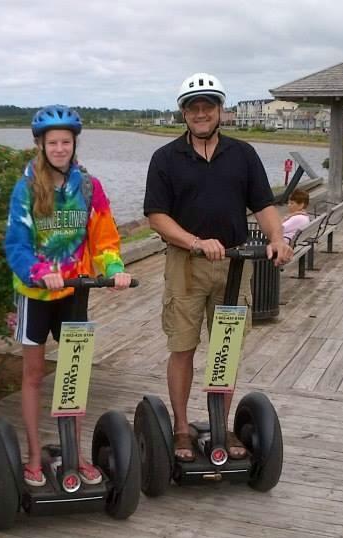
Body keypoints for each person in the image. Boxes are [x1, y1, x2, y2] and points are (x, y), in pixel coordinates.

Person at [143, 73, 294, 463]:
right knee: (183, 347)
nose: (201, 112)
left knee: (225, 347)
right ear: (183, 113)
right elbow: (157, 216)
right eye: (193, 107)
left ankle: (220, 422)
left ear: (221, 111)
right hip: (186, 265)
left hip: (234, 263)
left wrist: (278, 238)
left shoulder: (242, 154)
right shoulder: (165, 158)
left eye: (208, 105)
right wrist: (194, 241)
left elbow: (262, 205)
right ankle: (180, 429)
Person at [4, 104, 133, 488]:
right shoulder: (26, 188)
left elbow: (104, 238)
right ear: (40, 145)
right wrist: (40, 272)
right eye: (52, 142)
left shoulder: (90, 187)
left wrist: (113, 270)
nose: (59, 148)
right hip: (35, 294)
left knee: (73, 374)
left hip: (75, 292)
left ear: (74, 144)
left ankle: (74, 451)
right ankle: (31, 454)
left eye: (65, 142)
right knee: (33, 374)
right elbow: (16, 244)